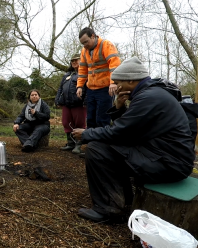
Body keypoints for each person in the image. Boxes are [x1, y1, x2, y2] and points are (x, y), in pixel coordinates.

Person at [71, 57, 195, 222]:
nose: (116, 86)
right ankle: (124, 199)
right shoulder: (152, 93)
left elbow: (120, 132)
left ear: (131, 79)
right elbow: (133, 129)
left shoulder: (149, 98)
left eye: (118, 82)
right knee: (111, 148)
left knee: (96, 149)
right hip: (164, 155)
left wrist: (86, 134)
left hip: (170, 164)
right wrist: (119, 108)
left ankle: (108, 210)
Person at [76, 27, 121, 129]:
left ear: (93, 36)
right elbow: (82, 70)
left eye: (86, 42)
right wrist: (79, 86)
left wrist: (113, 82)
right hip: (91, 89)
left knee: (102, 118)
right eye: (82, 44)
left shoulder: (106, 45)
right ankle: (91, 142)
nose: (85, 45)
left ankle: (101, 143)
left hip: (105, 89)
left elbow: (114, 65)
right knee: (90, 118)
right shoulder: (84, 51)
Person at [55, 53, 87, 154]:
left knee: (79, 124)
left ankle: (78, 145)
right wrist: (58, 100)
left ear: (81, 61)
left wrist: (85, 100)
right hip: (66, 104)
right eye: (72, 61)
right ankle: (70, 144)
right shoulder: (66, 75)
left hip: (79, 103)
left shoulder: (85, 74)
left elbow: (87, 88)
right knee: (66, 123)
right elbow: (60, 89)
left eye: (76, 60)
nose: (74, 62)